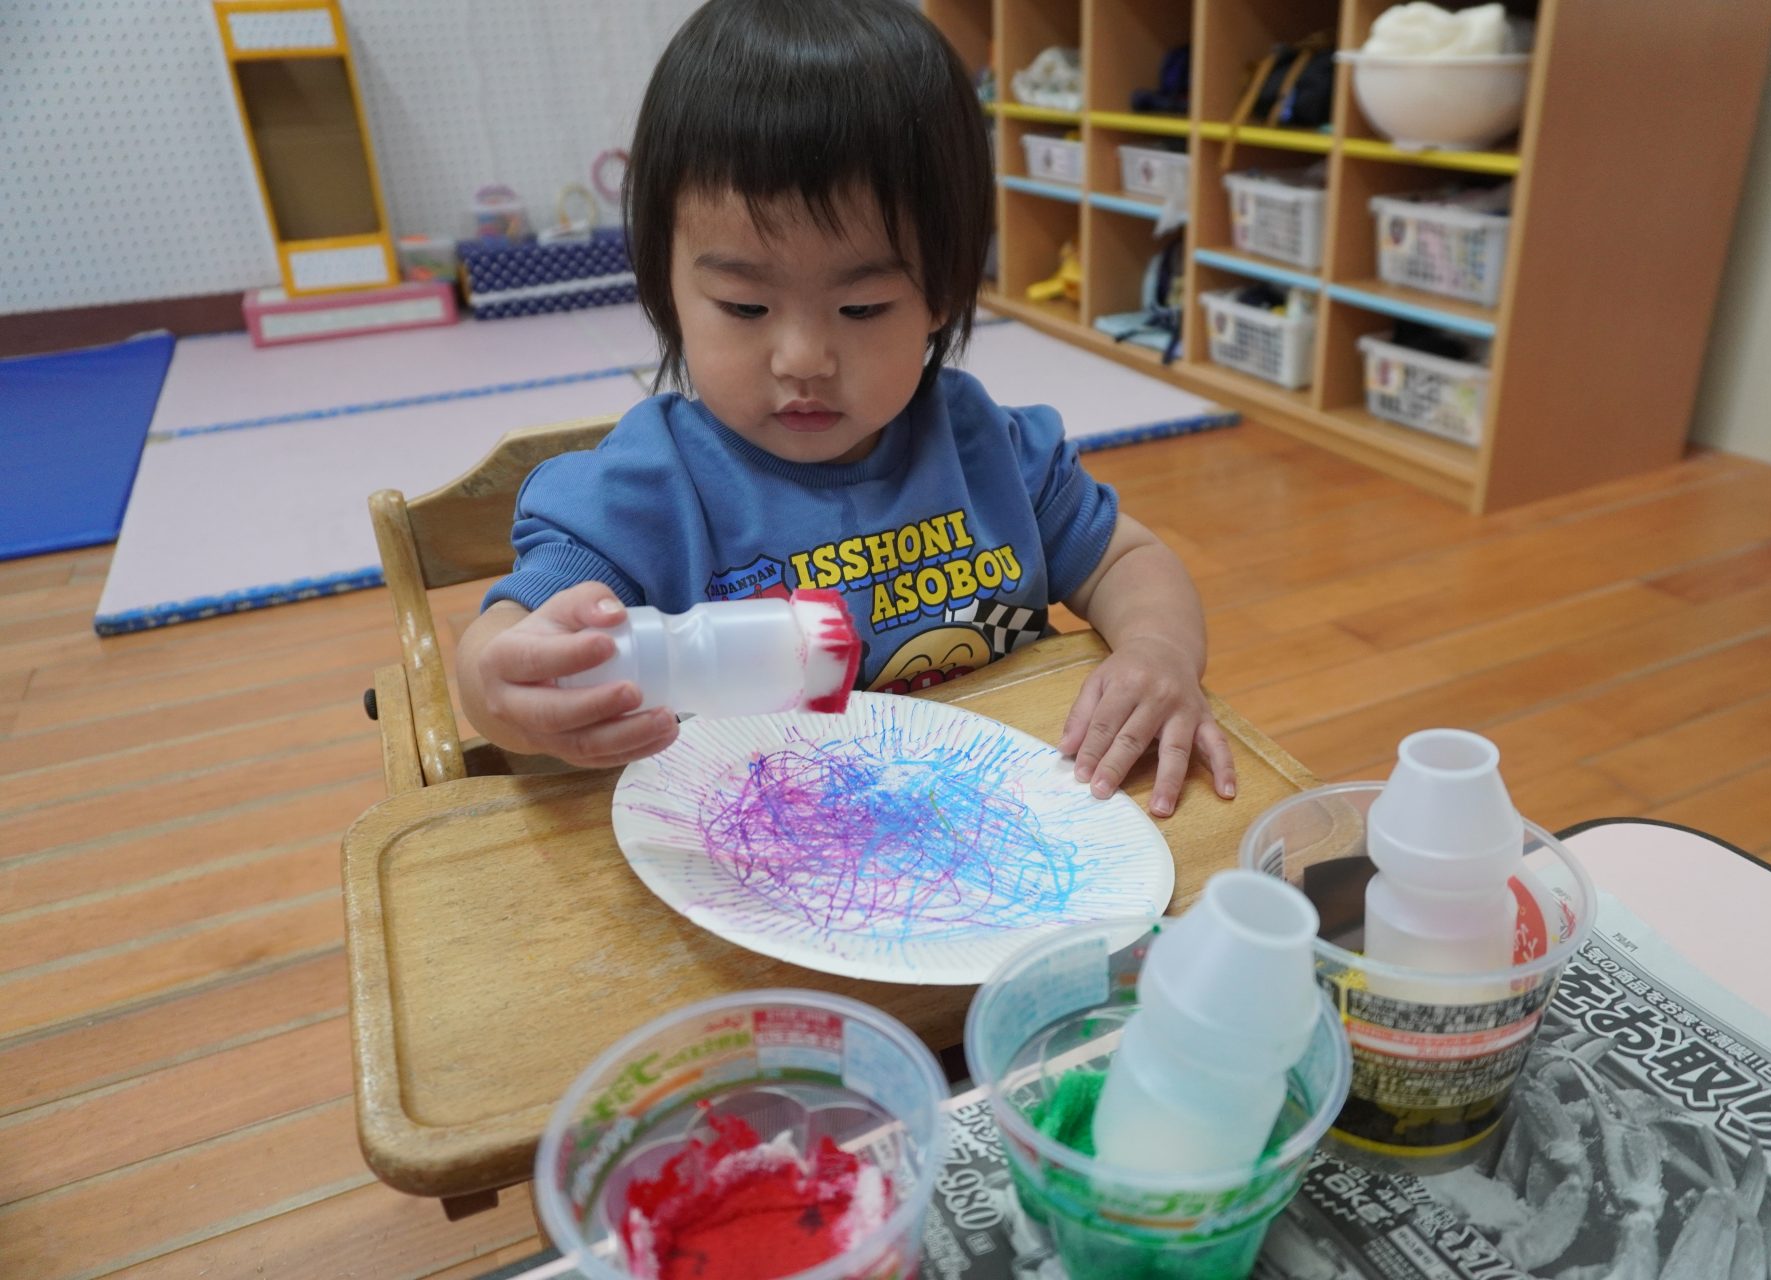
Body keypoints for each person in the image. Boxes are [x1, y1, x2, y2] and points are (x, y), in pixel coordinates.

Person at [454, 0, 1234, 817]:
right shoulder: (647, 491)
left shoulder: (987, 450)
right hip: (760, 847)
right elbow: (510, 638)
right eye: (744, 307)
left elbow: (1126, 560)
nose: (803, 359)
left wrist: (1158, 649)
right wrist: (500, 685)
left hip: (993, 825)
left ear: (942, 293)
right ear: (667, 288)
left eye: (862, 309)